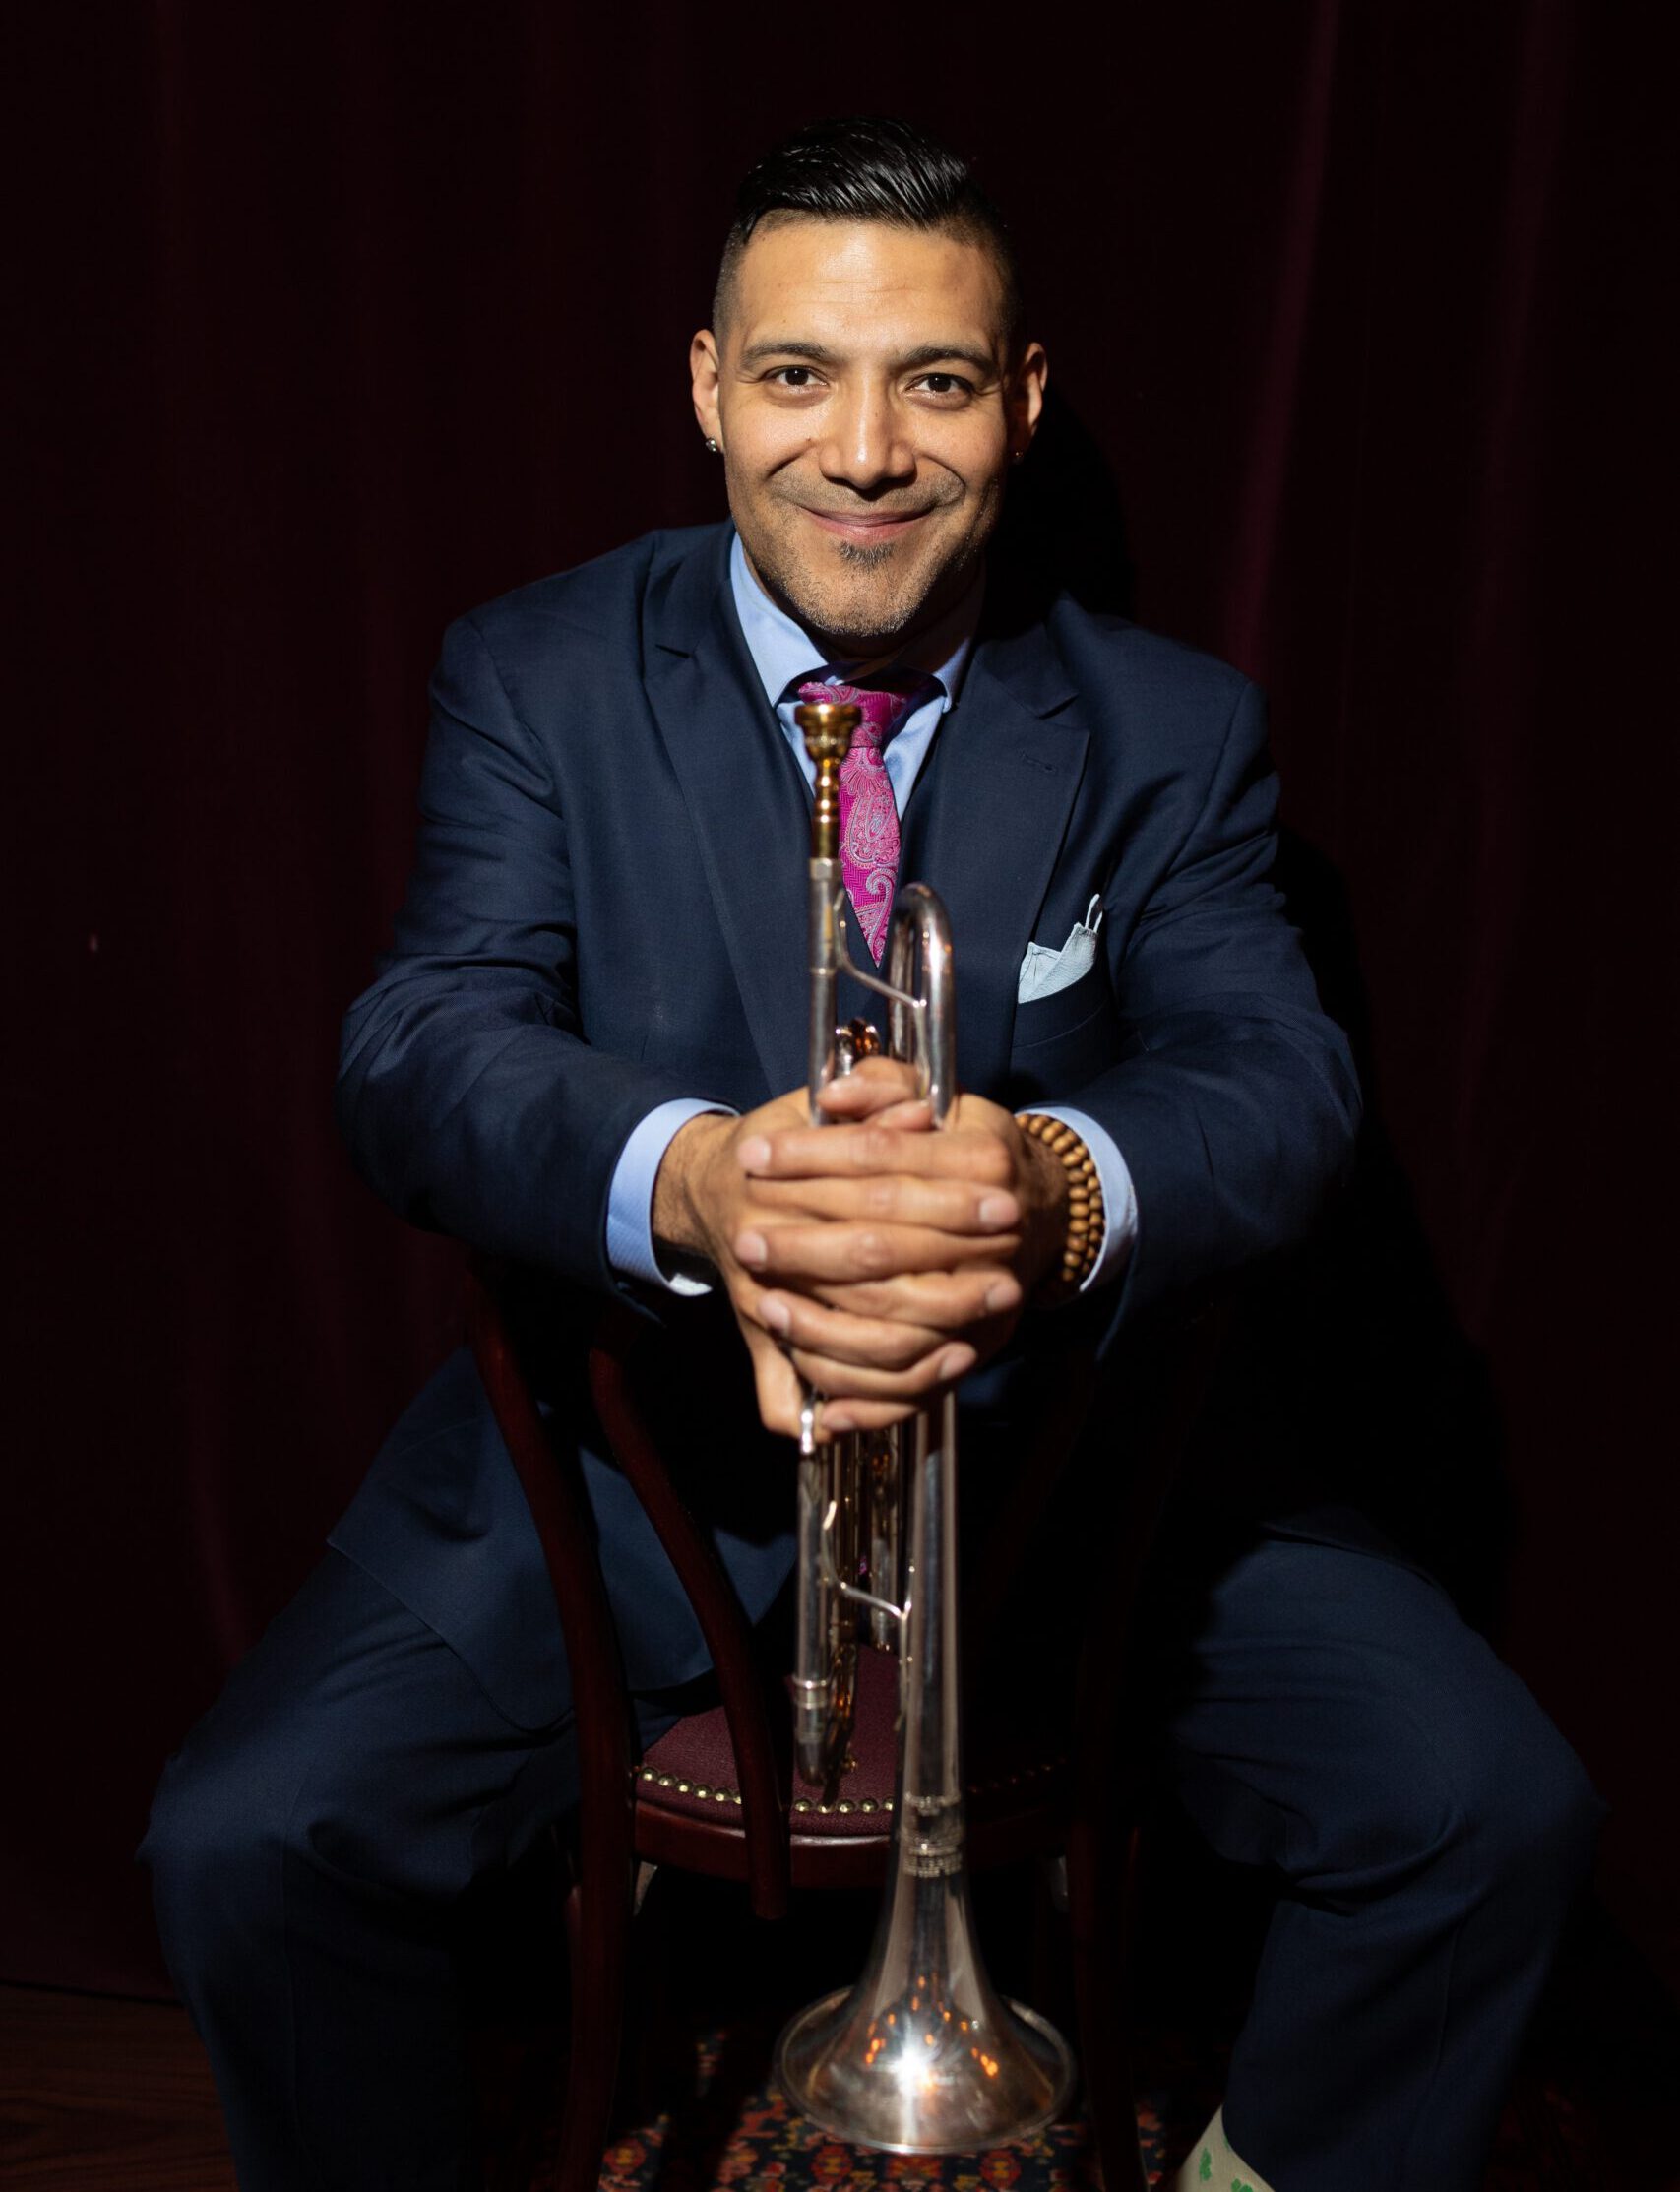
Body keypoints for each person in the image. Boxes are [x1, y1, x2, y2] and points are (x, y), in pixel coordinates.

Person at [143, 116, 1600, 2192]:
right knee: (246, 1841)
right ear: (707, 388)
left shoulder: (1169, 727)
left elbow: (1279, 1081)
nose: (862, 452)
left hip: (1062, 1482)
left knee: (1488, 1813)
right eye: (797, 374)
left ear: (1021, 400)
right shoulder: (536, 673)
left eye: (932, 381)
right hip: (635, 1471)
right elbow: (423, 1043)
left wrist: (1046, 1191)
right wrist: (699, 1179)